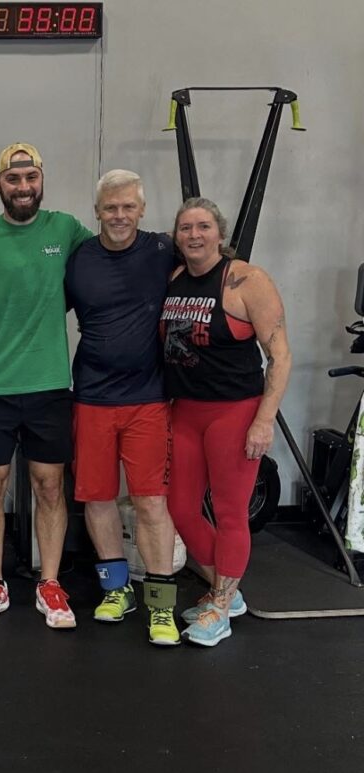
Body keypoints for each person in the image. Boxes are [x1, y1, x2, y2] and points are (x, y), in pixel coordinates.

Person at [0, 142, 93, 630]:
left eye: (30, 177)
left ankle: (50, 584)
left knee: (50, 485)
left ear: (41, 179)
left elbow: (113, 259)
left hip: (50, 382)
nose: (23, 187)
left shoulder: (67, 229)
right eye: (13, 179)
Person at [161, 197, 290, 647]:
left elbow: (280, 355)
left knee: (231, 511)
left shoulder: (246, 281)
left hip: (234, 413)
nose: (193, 235)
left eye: (202, 227)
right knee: (180, 508)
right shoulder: (175, 279)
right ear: (176, 236)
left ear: (220, 234)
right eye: (185, 228)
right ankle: (225, 591)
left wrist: (264, 420)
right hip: (186, 411)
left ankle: (222, 604)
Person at [64, 169, 181, 646]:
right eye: (110, 207)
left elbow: (212, 269)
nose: (118, 215)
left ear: (142, 209)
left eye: (127, 206)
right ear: (96, 212)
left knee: (152, 501)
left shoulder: (163, 249)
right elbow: (44, 310)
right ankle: (116, 590)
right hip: (91, 396)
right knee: (98, 497)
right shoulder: (79, 261)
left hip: (148, 399)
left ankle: (161, 606)